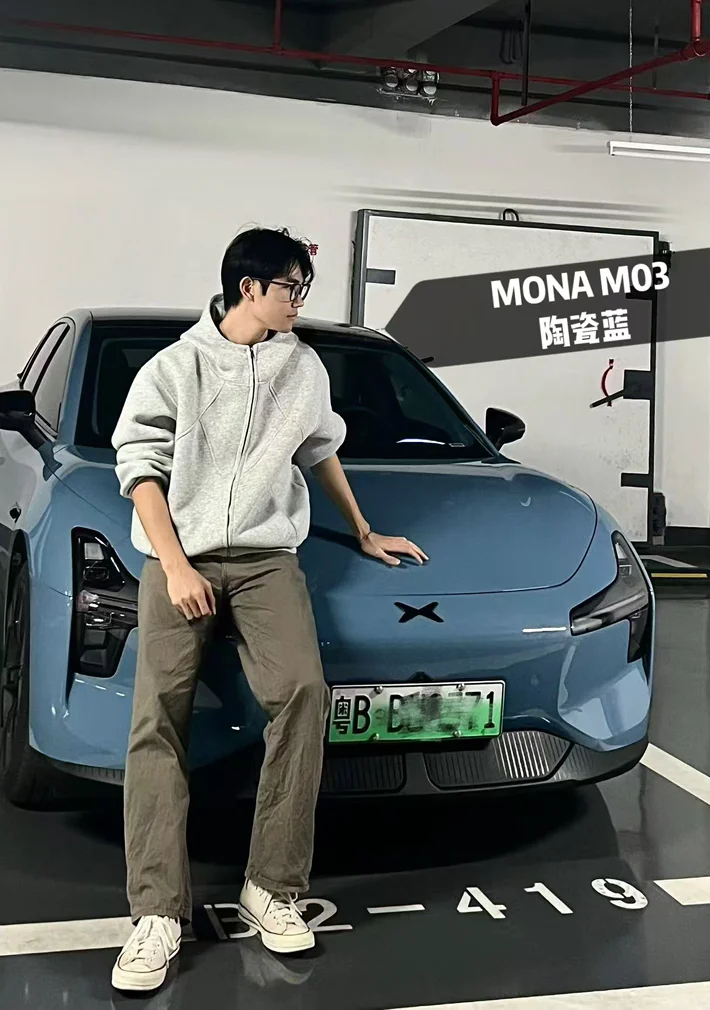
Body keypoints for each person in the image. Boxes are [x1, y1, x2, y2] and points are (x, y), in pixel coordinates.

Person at [109, 227, 428, 993]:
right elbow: (140, 469)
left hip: (264, 560)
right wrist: (176, 566)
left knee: (304, 694)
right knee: (157, 718)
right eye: (291, 288)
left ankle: (272, 887)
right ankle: (156, 913)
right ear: (249, 288)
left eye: (303, 288)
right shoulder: (174, 368)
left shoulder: (303, 367)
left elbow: (320, 449)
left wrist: (363, 529)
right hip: (177, 556)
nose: (300, 302)